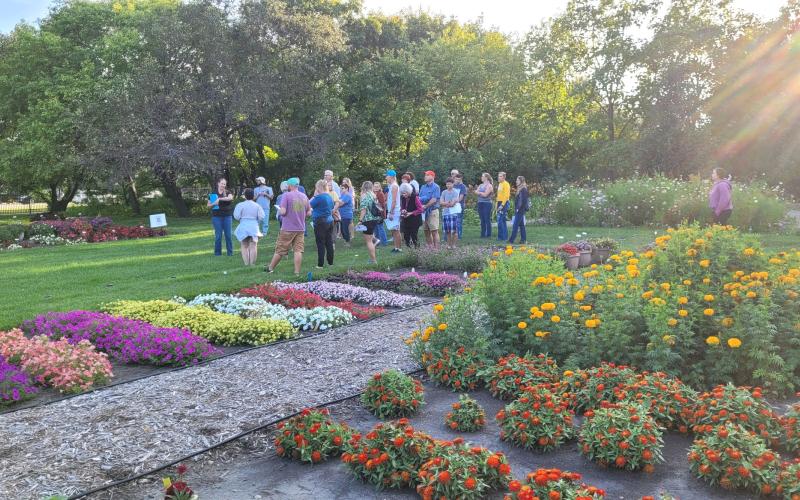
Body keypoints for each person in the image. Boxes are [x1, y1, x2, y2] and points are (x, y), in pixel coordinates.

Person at [266, 177, 310, 275]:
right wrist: (302, 215)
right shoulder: (304, 196)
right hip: (300, 228)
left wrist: (280, 210)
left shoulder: (286, 195)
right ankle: (297, 272)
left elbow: (283, 212)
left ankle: (270, 268)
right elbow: (309, 212)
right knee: (298, 250)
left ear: (289, 186)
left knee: (280, 249)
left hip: (287, 228)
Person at [233, 188, 265, 265]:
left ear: (244, 196)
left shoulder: (240, 205)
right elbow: (262, 216)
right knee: (253, 245)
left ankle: (246, 263)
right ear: (253, 196)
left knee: (244, 245)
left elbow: (236, 216)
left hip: (243, 226)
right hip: (254, 226)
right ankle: (252, 264)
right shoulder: (257, 205)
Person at [309, 179, 335, 268]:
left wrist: (314, 195)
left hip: (320, 222)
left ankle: (320, 264)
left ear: (319, 187)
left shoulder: (319, 197)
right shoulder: (329, 196)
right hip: (330, 221)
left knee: (320, 243)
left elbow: (308, 205)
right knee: (329, 242)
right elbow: (332, 207)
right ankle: (330, 263)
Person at [207, 178, 234, 256]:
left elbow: (230, 198)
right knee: (218, 236)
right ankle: (217, 253)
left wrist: (220, 199)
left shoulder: (228, 192)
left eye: (224, 184)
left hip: (227, 216)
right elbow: (208, 205)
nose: (223, 185)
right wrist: (215, 203)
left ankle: (230, 253)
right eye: (222, 183)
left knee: (228, 235)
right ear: (218, 183)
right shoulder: (213, 193)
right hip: (216, 217)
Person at [359, 181, 380, 264]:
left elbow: (363, 210)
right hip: (374, 219)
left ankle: (373, 260)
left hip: (367, 219)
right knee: (371, 238)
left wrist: (360, 220)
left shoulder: (364, 195)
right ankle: (376, 241)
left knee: (368, 241)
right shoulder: (373, 195)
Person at [419, 170, 441, 248]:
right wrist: (420, 206)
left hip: (432, 211)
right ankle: (430, 248)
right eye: (425, 175)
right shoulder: (423, 187)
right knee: (426, 231)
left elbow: (434, 199)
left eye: (427, 175)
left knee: (434, 231)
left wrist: (425, 206)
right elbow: (419, 198)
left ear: (432, 176)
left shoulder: (436, 187)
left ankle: (436, 249)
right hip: (423, 212)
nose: (425, 176)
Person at [400, 182, 424, 248]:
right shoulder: (403, 197)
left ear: (408, 191)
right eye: (402, 193)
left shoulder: (415, 197)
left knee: (414, 236)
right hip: (406, 220)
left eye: (405, 193)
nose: (403, 195)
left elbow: (421, 209)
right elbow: (403, 207)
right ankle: (409, 251)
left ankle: (417, 250)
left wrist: (411, 213)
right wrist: (403, 210)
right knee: (406, 236)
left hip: (415, 220)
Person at [440, 177, 462, 248]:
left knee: (454, 231)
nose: (448, 185)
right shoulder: (444, 192)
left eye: (449, 184)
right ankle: (449, 245)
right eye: (447, 184)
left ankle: (454, 245)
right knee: (448, 231)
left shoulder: (455, 192)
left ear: (453, 184)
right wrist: (448, 203)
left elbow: (453, 203)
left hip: (453, 213)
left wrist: (446, 203)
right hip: (445, 213)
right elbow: (441, 202)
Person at [384, 169, 403, 253]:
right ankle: (395, 247)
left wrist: (391, 212)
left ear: (391, 177)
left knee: (396, 230)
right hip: (392, 211)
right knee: (393, 230)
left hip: (394, 211)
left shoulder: (394, 186)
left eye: (387, 176)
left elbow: (394, 201)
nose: (386, 177)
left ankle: (399, 248)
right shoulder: (391, 186)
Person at [508, 176, 529, 244]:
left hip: (520, 209)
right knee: (521, 225)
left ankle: (511, 240)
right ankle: (523, 240)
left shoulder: (523, 189)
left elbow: (522, 200)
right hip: (520, 209)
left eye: (517, 180)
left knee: (515, 225)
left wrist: (517, 208)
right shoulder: (520, 189)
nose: (516, 181)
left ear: (521, 181)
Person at [475, 173, 494, 238]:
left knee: (487, 219)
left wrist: (479, 193)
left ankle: (488, 234)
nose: (481, 177)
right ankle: (482, 234)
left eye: (482, 176)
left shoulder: (489, 186)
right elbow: (475, 192)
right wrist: (481, 193)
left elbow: (485, 195)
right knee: (482, 219)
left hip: (487, 204)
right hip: (480, 203)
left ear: (486, 177)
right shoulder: (481, 185)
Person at [339, 179, 354, 247]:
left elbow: (340, 203)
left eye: (342, 188)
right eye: (341, 188)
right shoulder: (342, 195)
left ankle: (348, 242)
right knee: (342, 229)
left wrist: (336, 203)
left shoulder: (347, 195)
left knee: (345, 229)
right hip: (342, 215)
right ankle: (346, 241)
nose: (341, 190)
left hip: (347, 215)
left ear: (347, 188)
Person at [496, 171, 511, 241]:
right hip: (499, 203)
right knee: (501, 220)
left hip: (504, 203)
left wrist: (502, 205)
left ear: (504, 177)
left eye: (500, 176)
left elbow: (506, 196)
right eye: (498, 176)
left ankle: (503, 237)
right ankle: (501, 237)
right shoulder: (500, 184)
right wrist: (497, 204)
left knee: (501, 220)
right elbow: (499, 195)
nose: (499, 177)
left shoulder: (506, 184)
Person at [372, 181, 388, 247]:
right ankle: (377, 242)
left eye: (377, 186)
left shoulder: (380, 194)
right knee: (375, 228)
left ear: (380, 187)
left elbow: (383, 205)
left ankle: (384, 242)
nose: (376, 188)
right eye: (374, 186)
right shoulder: (372, 193)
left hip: (380, 213)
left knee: (380, 227)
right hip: (374, 213)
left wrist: (377, 203)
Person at [452, 173, 467, 240]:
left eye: (459, 179)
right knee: (452, 221)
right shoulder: (452, 186)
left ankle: (459, 236)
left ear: (461, 179)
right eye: (456, 179)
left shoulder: (463, 186)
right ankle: (451, 236)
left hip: (459, 206)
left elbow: (460, 198)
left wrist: (452, 202)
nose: (457, 180)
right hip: (451, 205)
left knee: (459, 221)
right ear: (454, 179)